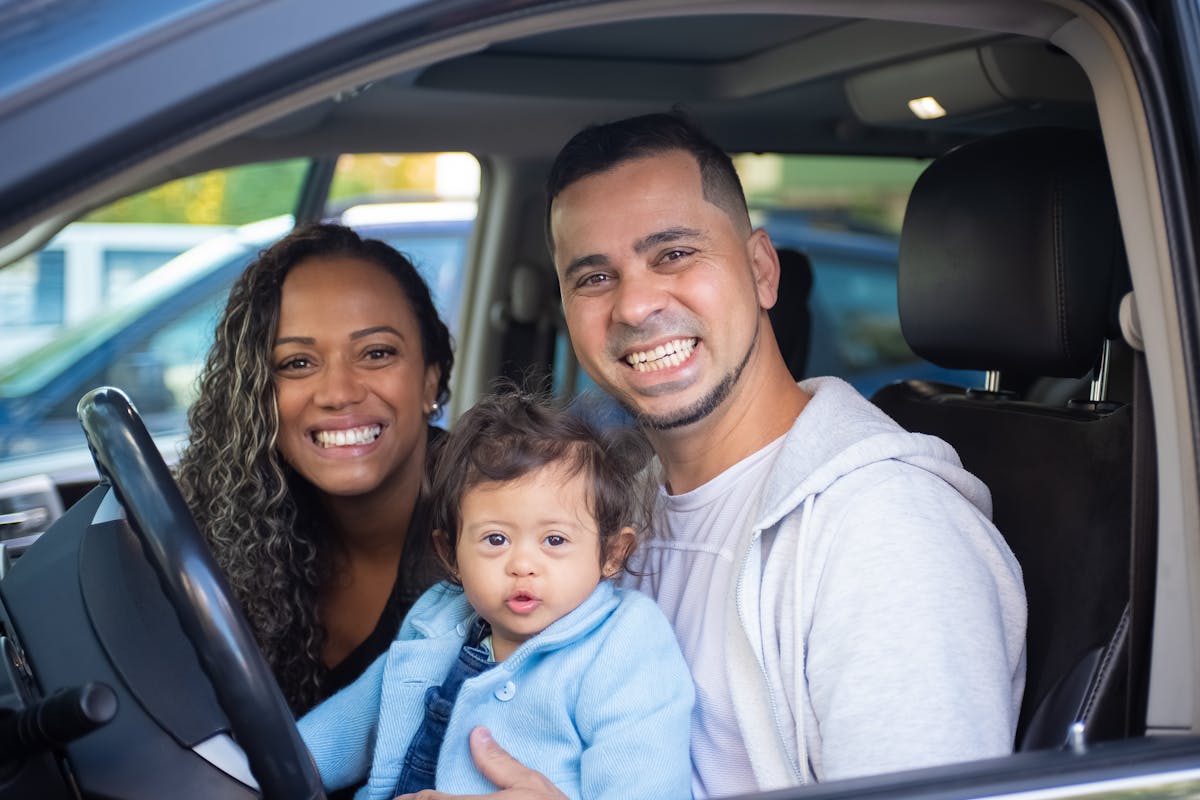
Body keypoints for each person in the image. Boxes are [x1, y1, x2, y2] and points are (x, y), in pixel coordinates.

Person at [424, 112, 1027, 800]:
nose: (636, 304)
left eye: (674, 254)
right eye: (594, 277)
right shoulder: (616, 511)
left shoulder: (884, 531)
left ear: (762, 270)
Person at [296, 388, 694, 800]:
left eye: (554, 540)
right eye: (496, 538)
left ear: (611, 554)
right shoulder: (437, 619)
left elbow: (647, 782)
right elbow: (357, 719)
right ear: (450, 555)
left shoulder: (626, 643)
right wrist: (274, 762)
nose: (522, 564)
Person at [176, 222, 454, 718]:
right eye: (298, 363)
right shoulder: (237, 520)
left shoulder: (508, 529)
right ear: (258, 395)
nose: (338, 392)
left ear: (430, 379)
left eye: (376, 353)